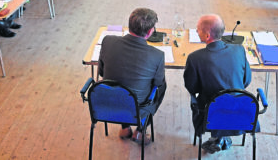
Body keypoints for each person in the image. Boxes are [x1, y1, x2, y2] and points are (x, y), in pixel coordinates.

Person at [183, 14, 252, 154]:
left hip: (209, 114)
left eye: (198, 29)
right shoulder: (239, 50)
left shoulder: (195, 58)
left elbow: (192, 88)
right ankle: (221, 138)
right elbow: (246, 80)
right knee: (225, 98)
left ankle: (218, 137)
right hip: (240, 111)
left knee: (208, 101)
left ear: (207, 35)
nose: (196, 31)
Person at [98, 8, 166, 145]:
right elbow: (157, 84)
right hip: (137, 105)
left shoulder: (107, 41)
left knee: (121, 87)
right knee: (162, 86)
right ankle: (140, 130)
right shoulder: (157, 55)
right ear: (150, 32)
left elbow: (101, 72)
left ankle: (125, 128)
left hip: (109, 100)